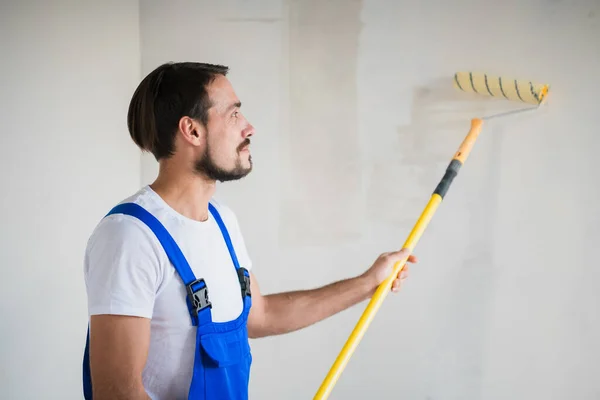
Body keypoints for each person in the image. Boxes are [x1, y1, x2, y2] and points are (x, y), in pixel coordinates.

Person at [82, 62, 417, 400]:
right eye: (233, 115)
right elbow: (115, 393)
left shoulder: (222, 222)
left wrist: (369, 283)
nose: (249, 128)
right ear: (192, 131)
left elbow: (261, 315)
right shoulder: (130, 237)